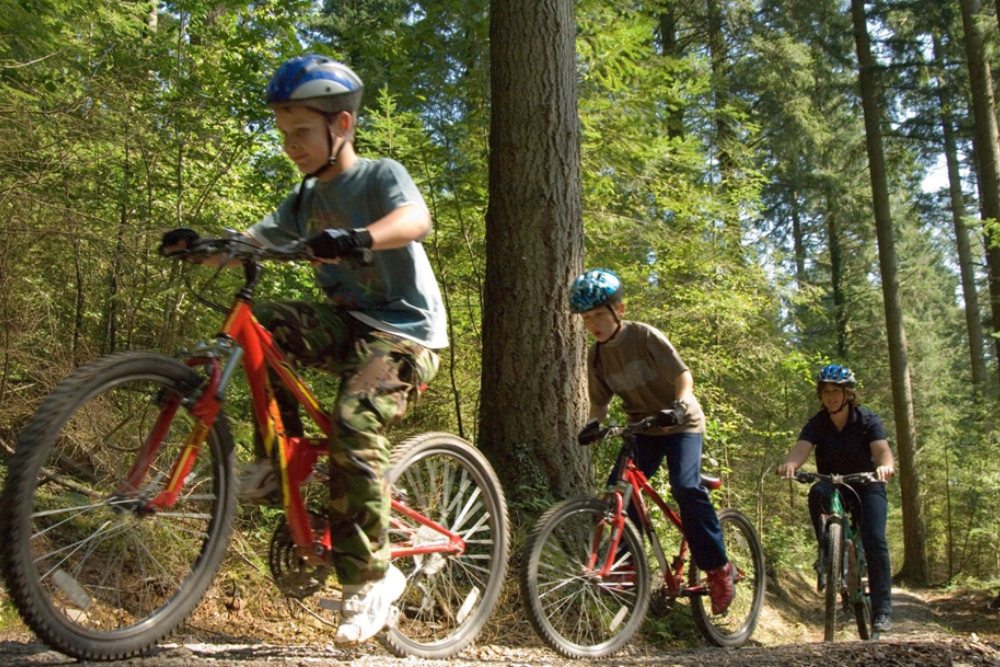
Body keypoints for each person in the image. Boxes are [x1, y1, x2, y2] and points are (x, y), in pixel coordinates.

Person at [159, 54, 447, 646]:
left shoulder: (377, 175)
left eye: (301, 132)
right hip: (347, 324)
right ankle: (277, 456)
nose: (290, 145)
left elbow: (415, 218)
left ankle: (372, 578)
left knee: (354, 421)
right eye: (283, 132)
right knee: (261, 323)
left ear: (341, 125)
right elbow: (257, 239)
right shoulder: (305, 197)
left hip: (405, 331)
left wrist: (360, 236)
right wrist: (205, 246)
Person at [570, 268, 735, 615]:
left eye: (599, 314)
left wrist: (681, 404)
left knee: (685, 488)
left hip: (680, 425)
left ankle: (719, 568)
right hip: (641, 428)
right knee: (619, 494)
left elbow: (682, 375)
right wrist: (593, 425)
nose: (593, 324)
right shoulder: (596, 355)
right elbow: (600, 403)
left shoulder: (644, 336)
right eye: (587, 318)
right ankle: (629, 570)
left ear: (620, 310)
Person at [777, 364, 894, 634]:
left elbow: (883, 451)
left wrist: (885, 467)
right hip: (833, 484)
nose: (830, 396)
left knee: (875, 539)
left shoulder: (866, 419)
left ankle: (883, 610)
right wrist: (790, 465)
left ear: (848, 394)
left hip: (867, 483)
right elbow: (801, 449)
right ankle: (829, 552)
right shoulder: (817, 423)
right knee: (817, 492)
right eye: (826, 391)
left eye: (836, 391)